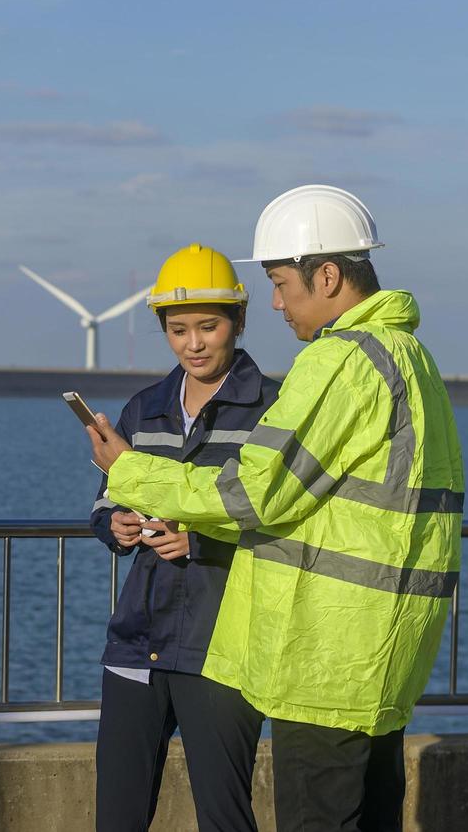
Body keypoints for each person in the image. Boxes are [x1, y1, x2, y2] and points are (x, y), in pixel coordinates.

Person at [87, 185, 463, 832]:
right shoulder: (411, 359)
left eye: (281, 281)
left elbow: (253, 493)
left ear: (326, 275)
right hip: (382, 653)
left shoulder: (343, 361)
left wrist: (128, 471)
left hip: (326, 659)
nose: (276, 301)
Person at [91, 244, 280, 832]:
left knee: (224, 817)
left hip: (221, 646)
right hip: (136, 641)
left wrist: (200, 543)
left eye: (208, 326)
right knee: (116, 818)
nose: (193, 343)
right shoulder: (143, 409)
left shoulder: (274, 410)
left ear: (238, 322)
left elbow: (282, 525)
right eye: (178, 329)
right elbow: (105, 501)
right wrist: (115, 527)